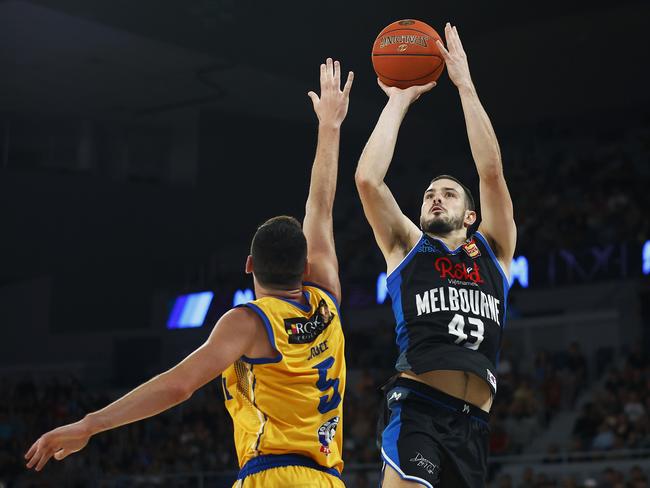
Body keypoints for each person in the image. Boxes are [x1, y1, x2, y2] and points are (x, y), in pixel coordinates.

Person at [25, 58, 354, 488]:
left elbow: (179, 386)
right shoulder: (327, 297)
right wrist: (331, 125)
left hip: (273, 478)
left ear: (249, 266)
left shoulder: (249, 322)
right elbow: (321, 204)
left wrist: (88, 425)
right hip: (329, 479)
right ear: (307, 267)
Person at [355, 23, 515, 487]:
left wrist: (464, 84)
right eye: (428, 194)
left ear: (471, 216)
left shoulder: (494, 251)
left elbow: (491, 171)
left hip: (474, 426)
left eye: (447, 193)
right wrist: (397, 101)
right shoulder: (406, 247)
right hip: (419, 409)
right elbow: (368, 180)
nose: (435, 198)